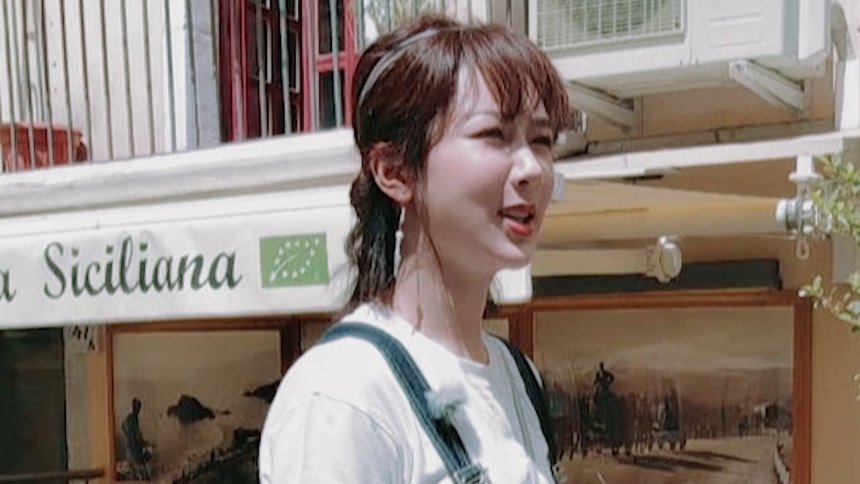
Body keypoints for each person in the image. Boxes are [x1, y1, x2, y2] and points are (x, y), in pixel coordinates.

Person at [259, 14, 568, 484]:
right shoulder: (343, 396)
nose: (532, 169)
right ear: (395, 172)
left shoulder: (518, 376)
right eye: (495, 135)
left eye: (542, 140)